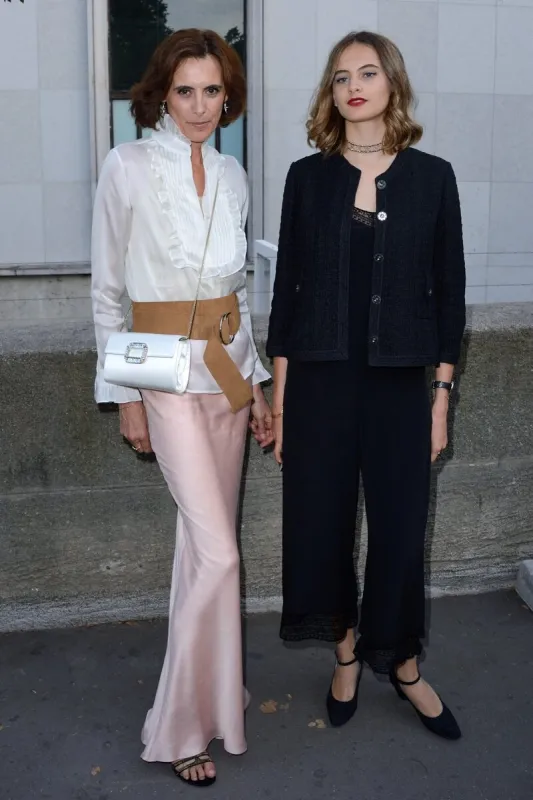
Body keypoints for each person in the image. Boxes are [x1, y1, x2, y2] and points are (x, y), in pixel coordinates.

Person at [267, 30, 465, 739]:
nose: (353, 86)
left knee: (400, 532)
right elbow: (287, 299)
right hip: (318, 385)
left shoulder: (432, 177)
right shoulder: (305, 178)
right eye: (341, 76)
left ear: (392, 85)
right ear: (331, 92)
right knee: (319, 526)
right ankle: (346, 655)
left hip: (398, 388)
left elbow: (449, 297)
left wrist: (440, 401)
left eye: (368, 73)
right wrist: (281, 403)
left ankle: (404, 665)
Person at [91, 29, 272, 787]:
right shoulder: (127, 166)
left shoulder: (233, 174)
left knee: (204, 552)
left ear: (228, 97)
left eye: (213, 91)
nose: (200, 106)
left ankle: (217, 700)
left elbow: (237, 294)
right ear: (161, 94)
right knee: (220, 555)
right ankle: (178, 728)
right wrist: (124, 396)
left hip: (226, 378)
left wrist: (255, 385)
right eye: (185, 90)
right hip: (161, 379)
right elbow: (107, 291)